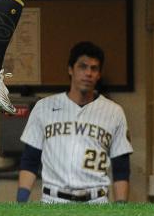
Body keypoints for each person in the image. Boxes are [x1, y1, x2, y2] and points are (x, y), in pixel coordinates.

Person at [16, 41, 132, 204]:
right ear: (70, 69)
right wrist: (20, 203)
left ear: (99, 74)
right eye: (82, 67)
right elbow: (30, 160)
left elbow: (121, 168)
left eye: (94, 68)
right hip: (53, 200)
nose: (88, 73)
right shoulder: (44, 107)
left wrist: (121, 207)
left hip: (96, 201)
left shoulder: (114, 112)